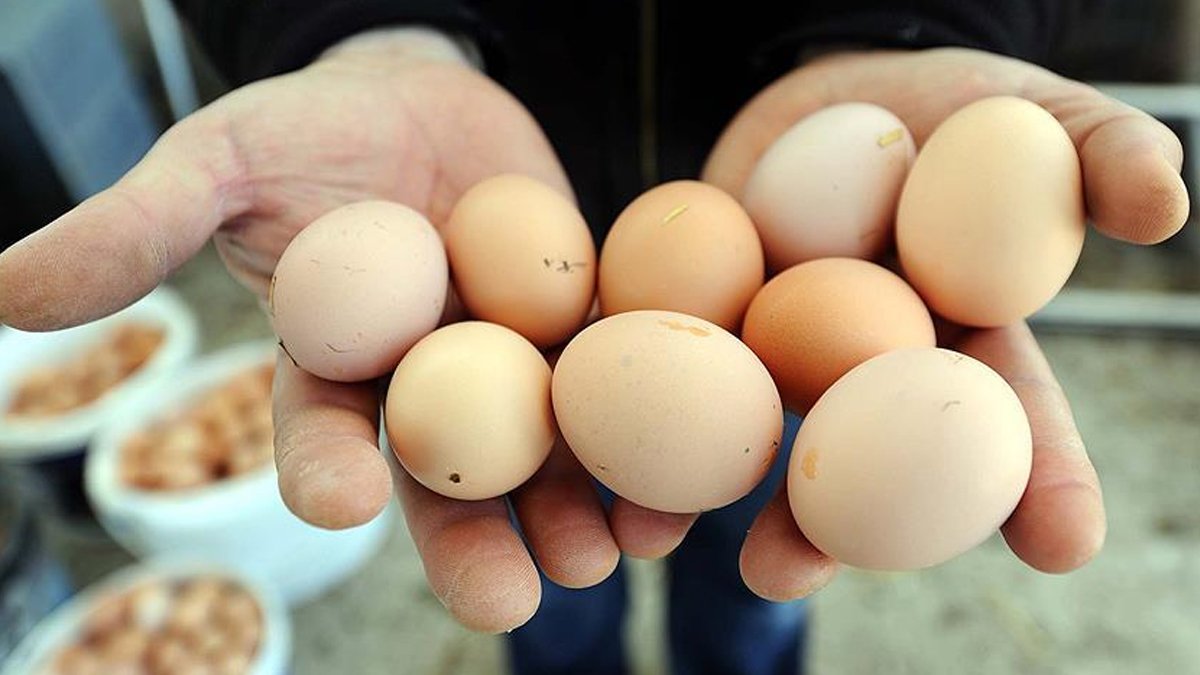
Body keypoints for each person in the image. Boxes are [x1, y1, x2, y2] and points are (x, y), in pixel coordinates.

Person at [0, 2, 1189, 674]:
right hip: (545, 291)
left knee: (757, 566)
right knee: (553, 583)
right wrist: (363, 27)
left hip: (779, 348)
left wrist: (910, 19)